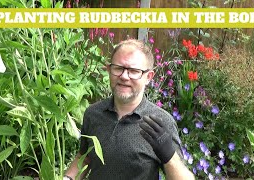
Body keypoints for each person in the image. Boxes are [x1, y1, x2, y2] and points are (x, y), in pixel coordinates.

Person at [64, 39, 195, 180]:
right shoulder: (93, 113)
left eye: (134, 71)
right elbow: (84, 157)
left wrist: (169, 156)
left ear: (148, 77)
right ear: (109, 70)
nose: (124, 76)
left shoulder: (160, 122)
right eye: (118, 68)